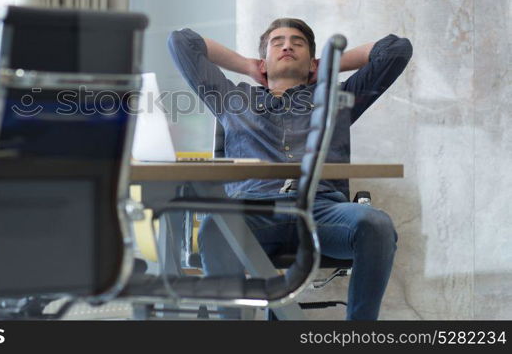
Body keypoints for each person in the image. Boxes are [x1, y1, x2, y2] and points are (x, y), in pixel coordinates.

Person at [167, 18, 413, 320]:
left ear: (311, 61)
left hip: (320, 213)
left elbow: (396, 50)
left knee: (376, 225)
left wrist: (325, 66)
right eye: (277, 42)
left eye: (297, 43)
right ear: (264, 62)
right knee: (216, 227)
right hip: (255, 213)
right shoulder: (232, 100)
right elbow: (182, 41)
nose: (287, 46)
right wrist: (247, 65)